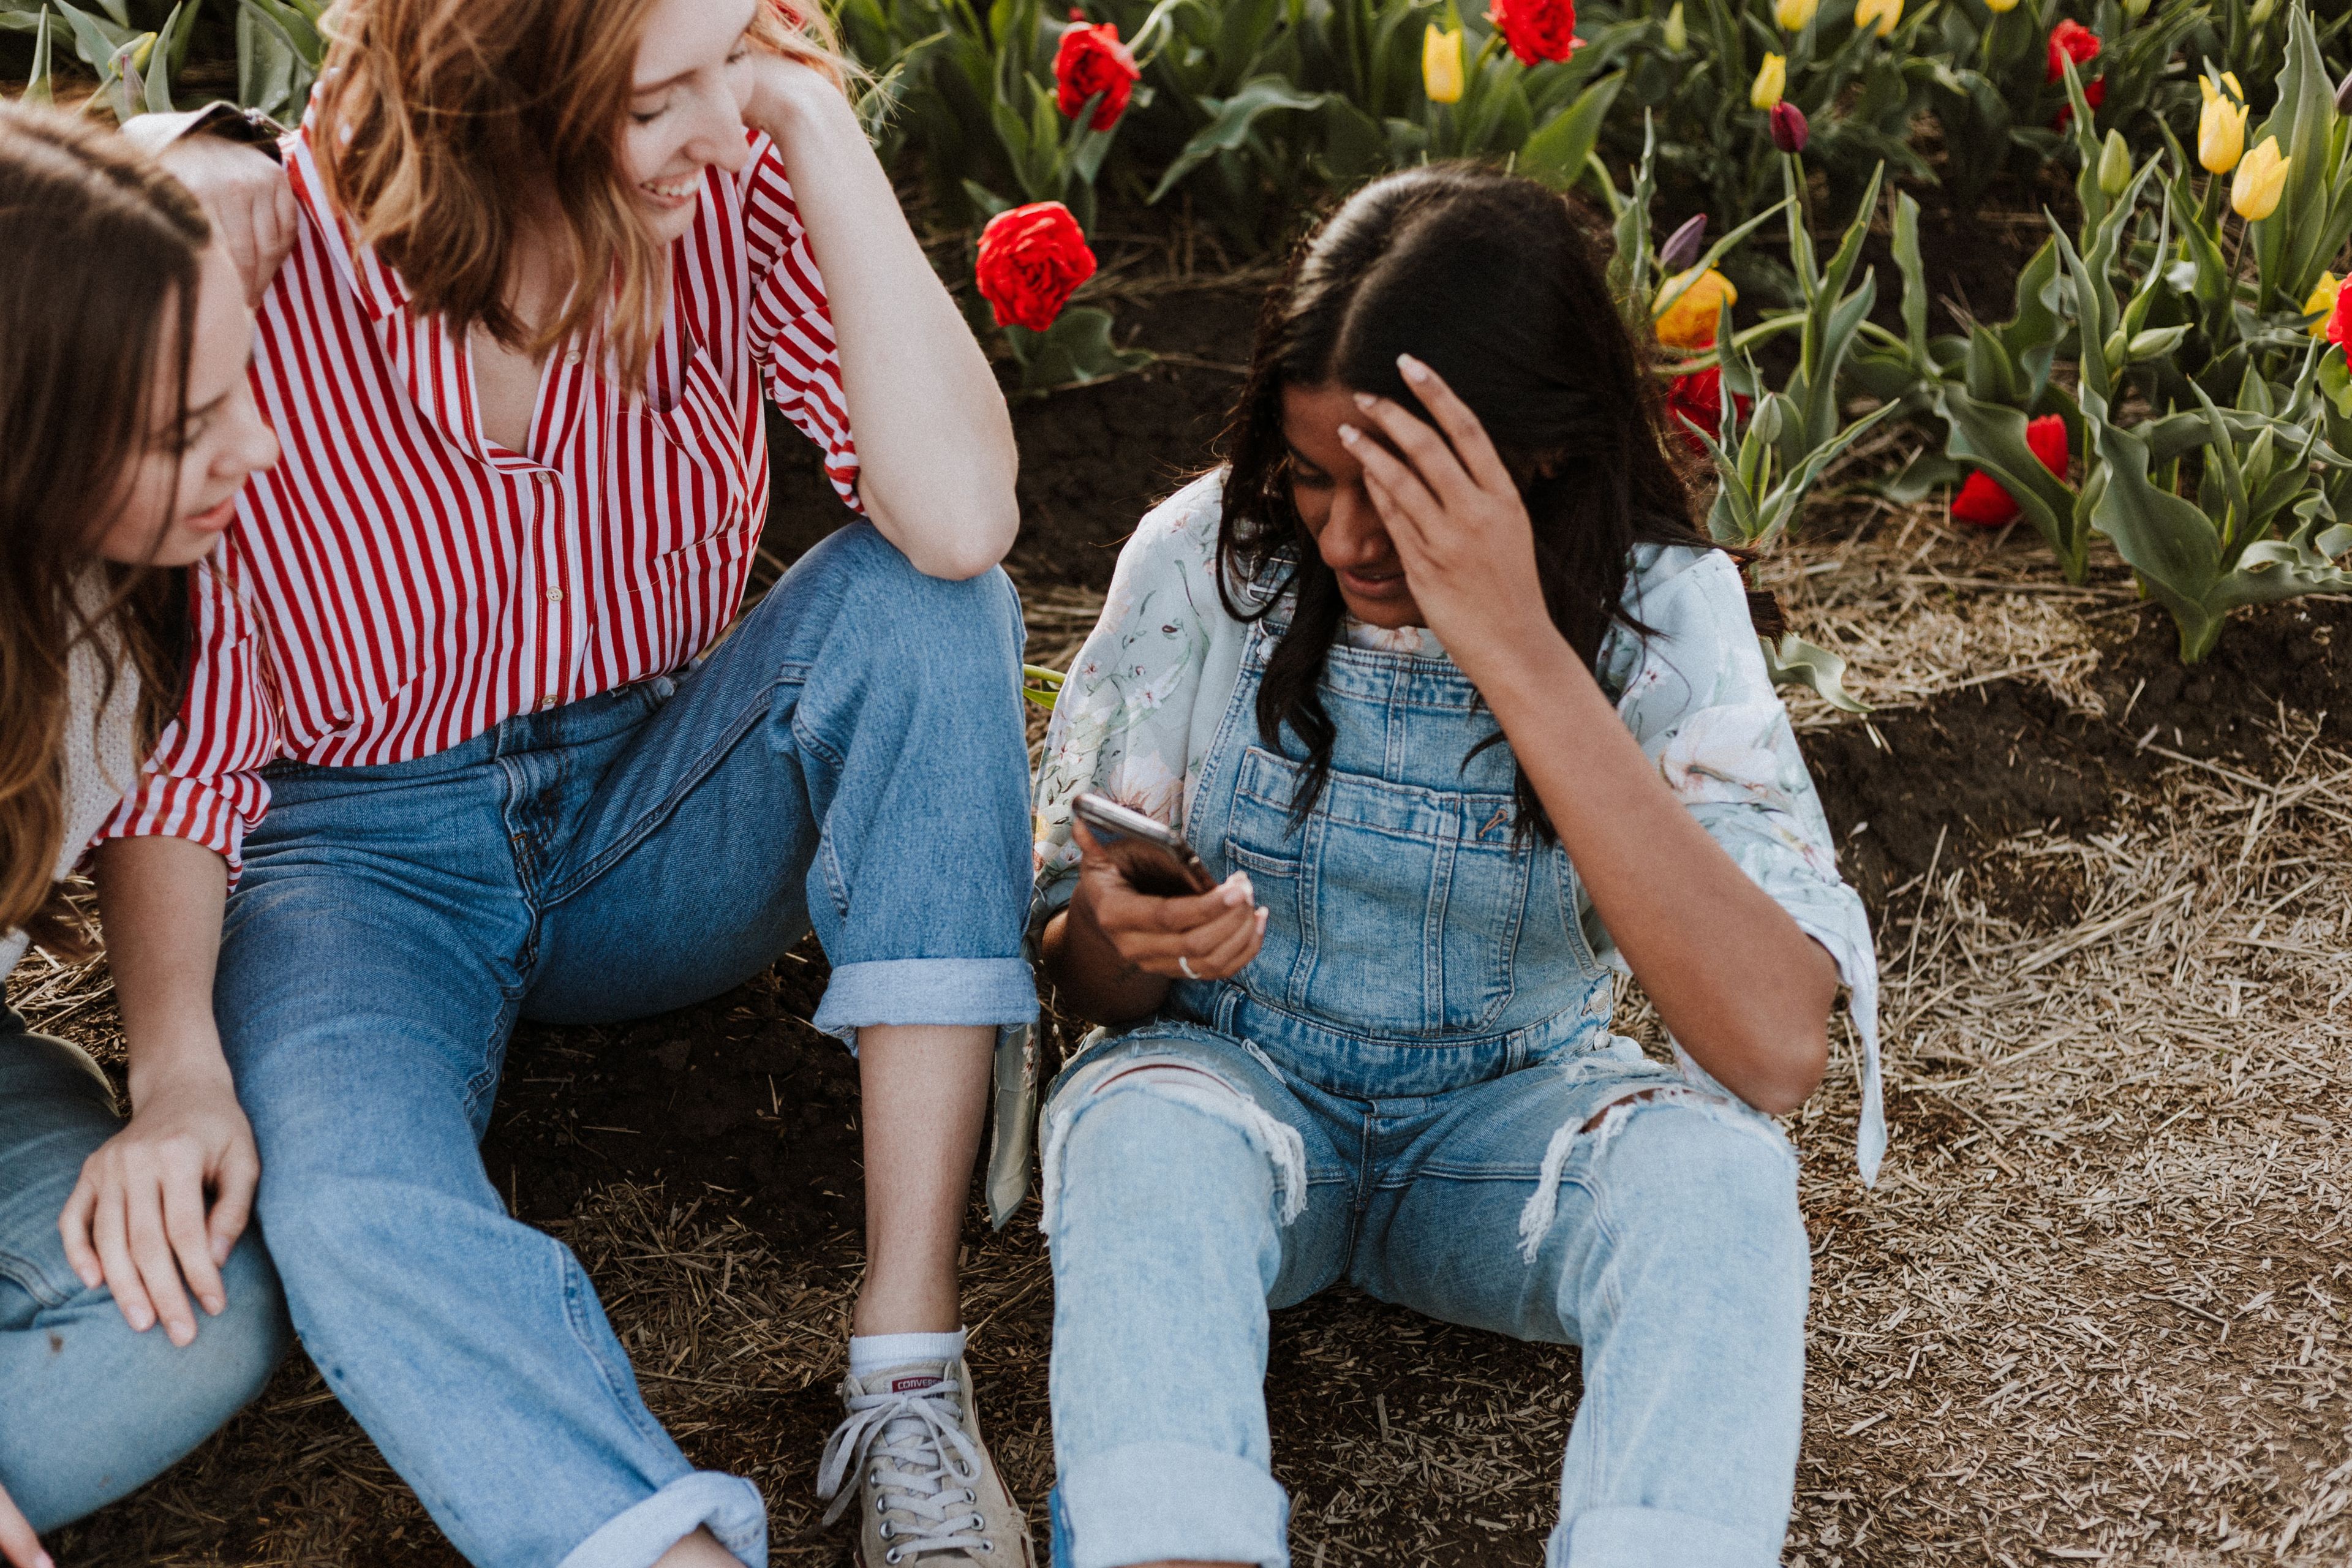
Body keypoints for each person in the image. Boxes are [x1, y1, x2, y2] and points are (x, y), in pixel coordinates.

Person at [116, 0, 1039, 1561]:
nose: (722, 126)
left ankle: (906, 1365)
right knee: (344, 1207)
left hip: (657, 800)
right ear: (496, 102)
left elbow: (956, 519)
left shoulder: (730, 187)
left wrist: (814, 122)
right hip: (358, 860)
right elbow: (186, 731)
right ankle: (646, 1537)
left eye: (733, 67)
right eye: (664, 95)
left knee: (933, 605)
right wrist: (178, 1067)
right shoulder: (263, 255)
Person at [1029, 164, 1883, 1568]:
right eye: (1313, 476)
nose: (1348, 538)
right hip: (1238, 1092)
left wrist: (1515, 641)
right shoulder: (1205, 561)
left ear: (1533, 456)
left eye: (1400, 495)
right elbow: (1083, 967)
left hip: (1513, 1116)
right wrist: (1124, 938)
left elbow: (1777, 1048)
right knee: (1137, 1132)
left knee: (1722, 1184)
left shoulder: (1657, 614)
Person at [0, 104, 290, 1566]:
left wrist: (179, 1072)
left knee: (192, 1308)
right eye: (186, 431)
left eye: (241, 384)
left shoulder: (123, 591)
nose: (261, 446)